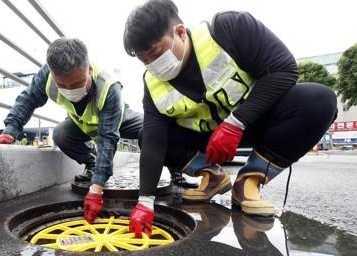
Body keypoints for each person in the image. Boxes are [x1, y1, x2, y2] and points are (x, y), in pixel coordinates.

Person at [123, 0, 337, 237]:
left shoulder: (229, 29)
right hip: (208, 140)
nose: (154, 65)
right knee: (146, 136)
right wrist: (145, 200)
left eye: (157, 53)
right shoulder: (152, 85)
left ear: (180, 33)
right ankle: (212, 177)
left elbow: (284, 69)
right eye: (145, 61)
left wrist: (236, 122)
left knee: (319, 100)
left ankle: (249, 181)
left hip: (257, 122)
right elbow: (154, 139)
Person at [0, 38, 146, 224]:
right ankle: (90, 162)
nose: (70, 91)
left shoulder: (109, 87)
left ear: (89, 69)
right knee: (60, 134)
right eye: (62, 86)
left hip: (118, 120)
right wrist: (10, 131)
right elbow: (28, 99)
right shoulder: (47, 75)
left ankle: (176, 170)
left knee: (151, 131)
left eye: (77, 84)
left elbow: (107, 139)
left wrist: (97, 188)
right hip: (81, 123)